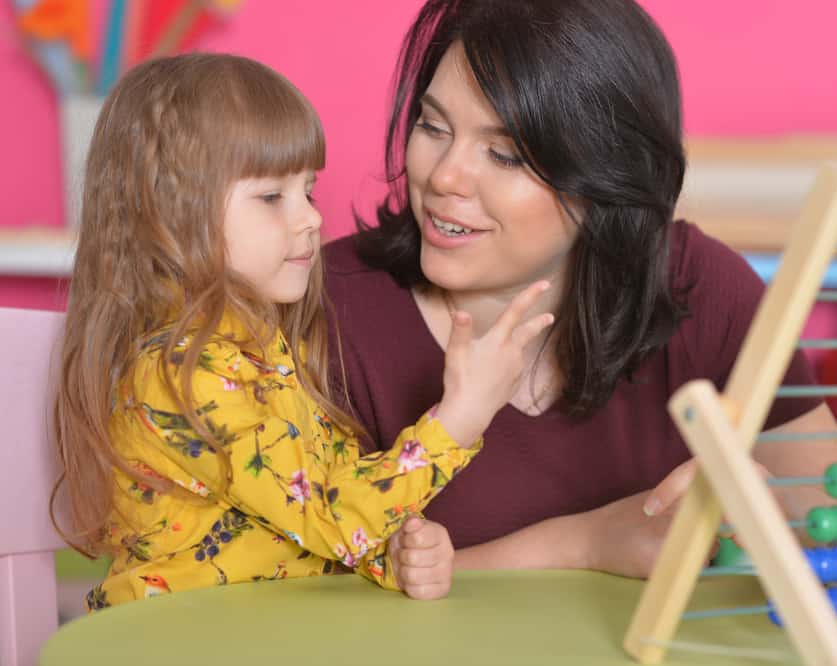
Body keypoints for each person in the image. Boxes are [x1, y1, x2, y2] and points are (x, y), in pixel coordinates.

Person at [323, 0, 837, 580]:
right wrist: (582, 544)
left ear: (605, 177)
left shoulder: (698, 289)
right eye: (433, 126)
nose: (444, 176)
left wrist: (763, 507)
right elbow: (275, 599)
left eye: (504, 155)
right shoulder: (322, 312)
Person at [51, 53, 554, 609]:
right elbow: (329, 519)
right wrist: (458, 419)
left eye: (308, 190)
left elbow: (301, 530)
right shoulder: (183, 374)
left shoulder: (260, 353)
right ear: (168, 215)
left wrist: (392, 557)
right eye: (272, 197)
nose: (312, 218)